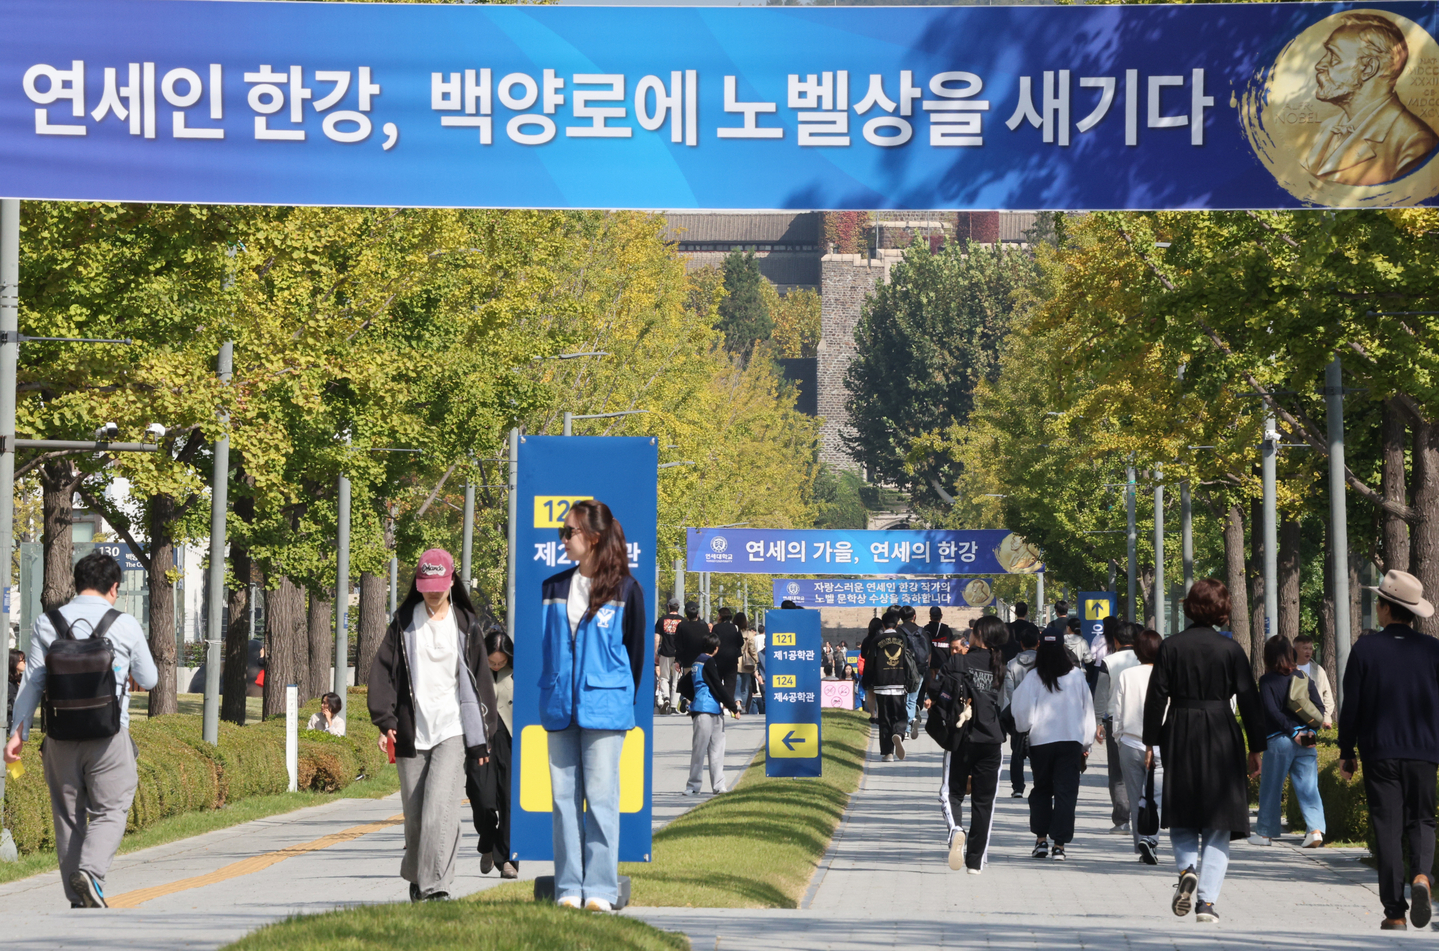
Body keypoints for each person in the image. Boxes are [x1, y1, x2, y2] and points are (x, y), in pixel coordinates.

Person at [3, 551, 158, 908]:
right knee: (111, 808)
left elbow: (32, 683)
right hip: (109, 734)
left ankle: (79, 897)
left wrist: (18, 734)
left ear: (76, 583)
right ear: (114, 588)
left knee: (67, 816)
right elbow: (149, 679)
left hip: (59, 737)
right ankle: (91, 872)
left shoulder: (47, 622)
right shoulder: (124, 623)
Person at [369, 548, 498, 903]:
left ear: (452, 581)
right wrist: (385, 721)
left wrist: (482, 738)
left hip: (452, 730)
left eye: (440, 585)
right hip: (412, 732)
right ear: (418, 583)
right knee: (414, 818)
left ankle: (436, 886)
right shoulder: (404, 622)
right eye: (427, 585)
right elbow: (382, 673)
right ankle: (418, 875)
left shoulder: (465, 624)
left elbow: (481, 682)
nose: (434, 591)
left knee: (439, 811)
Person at [536, 500, 646, 913]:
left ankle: (600, 887)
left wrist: (613, 692)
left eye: (568, 532)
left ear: (593, 537)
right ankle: (568, 887)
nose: (562, 540)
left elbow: (635, 654)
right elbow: (548, 649)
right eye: (562, 533)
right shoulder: (552, 589)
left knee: (601, 799)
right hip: (560, 703)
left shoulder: (625, 590)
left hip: (605, 706)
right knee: (563, 800)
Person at [1142, 578, 1265, 926]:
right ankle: (1207, 904)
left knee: (1182, 811)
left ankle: (1186, 869)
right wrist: (1257, 747)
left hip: (1179, 728)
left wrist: (1150, 741)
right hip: (1221, 731)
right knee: (1219, 822)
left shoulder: (1171, 646)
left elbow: (1157, 697)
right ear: (1223, 611)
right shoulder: (1231, 650)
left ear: (1188, 607)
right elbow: (1249, 700)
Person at [1338, 569, 1439, 931]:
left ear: (1385, 608)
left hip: (1379, 750)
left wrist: (1346, 749)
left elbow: (1352, 706)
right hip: (1425, 750)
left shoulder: (1366, 649)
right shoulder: (1433, 650)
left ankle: (1394, 912)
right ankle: (1422, 877)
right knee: (1423, 819)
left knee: (1388, 825)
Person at [931, 615, 1006, 874]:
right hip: (993, 740)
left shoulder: (958, 661)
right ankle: (975, 862)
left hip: (962, 737)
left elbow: (937, 692)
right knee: (985, 803)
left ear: (980, 635)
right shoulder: (1000, 666)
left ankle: (955, 831)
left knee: (950, 793)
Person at [1010, 631, 1094, 861]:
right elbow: (1088, 710)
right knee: (1066, 793)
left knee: (1042, 789)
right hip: (1071, 741)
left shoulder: (1034, 676)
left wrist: (1023, 728)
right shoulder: (1077, 676)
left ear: (1040, 647)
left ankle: (1040, 841)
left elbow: (1022, 713)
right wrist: (1086, 741)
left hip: (1042, 742)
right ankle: (1060, 845)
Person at [1252, 635, 1326, 849]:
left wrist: (1292, 731)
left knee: (1271, 786)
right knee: (1308, 787)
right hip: (1306, 741)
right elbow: (1319, 710)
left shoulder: (1267, 681)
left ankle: (1265, 834)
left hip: (1280, 740)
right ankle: (1315, 830)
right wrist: (1309, 733)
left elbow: (1271, 711)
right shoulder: (1303, 677)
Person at [468, 626, 517, 879]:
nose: (497, 666)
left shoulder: (519, 673)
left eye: (502, 661)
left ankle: (507, 859)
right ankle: (487, 843)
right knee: (483, 800)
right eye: (492, 661)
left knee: (508, 801)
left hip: (510, 741)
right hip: (479, 742)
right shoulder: (472, 674)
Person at [1115, 627, 1164, 865]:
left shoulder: (1127, 674)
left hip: (1130, 742)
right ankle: (1151, 840)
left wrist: (1118, 738)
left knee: (1135, 799)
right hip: (1160, 745)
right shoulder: (1168, 675)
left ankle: (1141, 845)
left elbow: (1118, 710)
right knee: (1157, 796)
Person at [683, 630, 742, 795]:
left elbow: (683, 685)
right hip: (711, 709)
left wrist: (695, 696)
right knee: (716, 749)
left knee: (699, 749)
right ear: (715, 648)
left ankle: (693, 786)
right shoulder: (709, 662)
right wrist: (733, 706)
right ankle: (717, 786)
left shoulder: (696, 662)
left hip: (701, 708)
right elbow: (717, 685)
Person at [1096, 618, 1140, 835]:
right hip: (1145, 720)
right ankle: (1144, 819)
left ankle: (1122, 821)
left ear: (1115, 640)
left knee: (1118, 773)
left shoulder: (1109, 661)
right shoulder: (1147, 659)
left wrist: (1097, 722)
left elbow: (1101, 695)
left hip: (1117, 722)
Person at [862, 610, 916, 761]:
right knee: (899, 714)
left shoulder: (876, 641)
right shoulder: (902, 639)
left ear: (883, 624)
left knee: (885, 718)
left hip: (881, 685)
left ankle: (888, 753)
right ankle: (898, 734)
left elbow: (870, 664)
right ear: (897, 623)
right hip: (899, 683)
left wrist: (867, 681)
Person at [1002, 623, 1040, 798]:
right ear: (1038, 643)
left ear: (1021, 644)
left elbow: (1009, 691)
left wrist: (1016, 706)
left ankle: (1018, 787)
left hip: (1018, 712)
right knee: (1038, 749)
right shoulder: (1043, 663)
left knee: (1017, 750)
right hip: (1040, 712)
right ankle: (1040, 781)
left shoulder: (1011, 664)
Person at [899, 605, 931, 740]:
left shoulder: (898, 632)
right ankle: (910, 723)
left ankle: (905, 726)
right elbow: (929, 653)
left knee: (902, 699)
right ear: (914, 616)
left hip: (901, 670)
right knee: (912, 700)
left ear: (900, 618)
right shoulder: (922, 632)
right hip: (919, 670)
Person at [1292, 633, 1335, 729]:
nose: (1308, 651)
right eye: (1305, 648)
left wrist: (1326, 718)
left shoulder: (1318, 670)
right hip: (1294, 720)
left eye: (1310, 649)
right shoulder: (1288, 669)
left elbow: (1327, 696)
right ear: (1295, 650)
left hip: (1314, 719)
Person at [654, 600, 683, 715]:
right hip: (678, 654)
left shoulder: (661, 620)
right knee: (677, 679)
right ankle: (673, 706)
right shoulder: (683, 620)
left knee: (664, 677)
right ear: (679, 607)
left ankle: (666, 697)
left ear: (668, 607)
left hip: (665, 652)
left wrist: (655, 652)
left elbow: (656, 638)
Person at [711, 607, 743, 701]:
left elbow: (713, 641)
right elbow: (740, 642)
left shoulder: (716, 627)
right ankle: (727, 704)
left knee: (717, 681)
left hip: (718, 658)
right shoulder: (735, 627)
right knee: (730, 683)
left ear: (720, 616)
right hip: (731, 659)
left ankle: (717, 702)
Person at [734, 612, 756, 713]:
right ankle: (743, 707)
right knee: (745, 685)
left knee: (737, 683)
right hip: (747, 663)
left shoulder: (733, 632)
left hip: (735, 661)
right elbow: (752, 649)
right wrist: (756, 661)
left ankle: (737, 702)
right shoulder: (749, 634)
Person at [7, 648, 23, 728]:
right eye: (22, 661)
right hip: (9, 723)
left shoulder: (21, 680)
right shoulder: (8, 683)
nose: (25, 663)